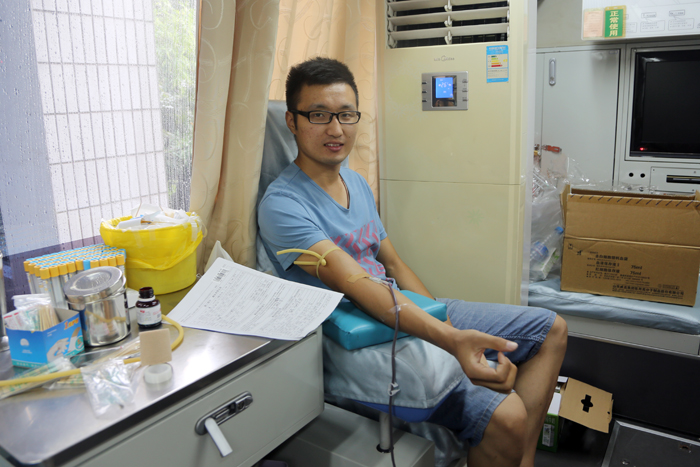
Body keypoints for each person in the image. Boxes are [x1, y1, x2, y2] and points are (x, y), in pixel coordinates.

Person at [258, 57, 567, 467]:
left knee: (551, 330)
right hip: (359, 330)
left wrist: (444, 322)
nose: (335, 129)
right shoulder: (283, 205)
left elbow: (393, 264)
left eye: (346, 114)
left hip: (402, 306)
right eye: (319, 115)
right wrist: (449, 340)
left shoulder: (355, 183)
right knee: (508, 414)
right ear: (292, 122)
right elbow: (356, 283)